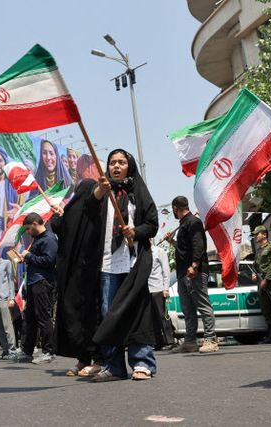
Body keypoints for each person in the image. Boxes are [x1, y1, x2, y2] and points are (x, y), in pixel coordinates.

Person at [91, 149, 159, 382]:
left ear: (129, 166)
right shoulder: (102, 192)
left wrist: (135, 231)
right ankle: (114, 366)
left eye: (121, 162)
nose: (116, 166)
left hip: (132, 263)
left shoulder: (138, 191)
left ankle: (142, 363)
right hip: (107, 266)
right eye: (112, 162)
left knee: (137, 312)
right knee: (109, 315)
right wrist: (98, 193)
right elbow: (86, 218)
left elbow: (152, 224)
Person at [50, 179, 103, 377]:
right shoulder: (80, 210)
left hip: (85, 272)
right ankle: (84, 358)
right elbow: (62, 228)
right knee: (81, 315)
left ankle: (96, 358)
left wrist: (59, 215)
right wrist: (62, 215)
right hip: (78, 272)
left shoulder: (88, 209)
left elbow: (58, 226)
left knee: (87, 315)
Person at [166, 196, 218, 354]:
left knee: (203, 305)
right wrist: (172, 242)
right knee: (188, 309)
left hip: (194, 271)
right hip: (183, 273)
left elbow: (198, 245)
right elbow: (184, 248)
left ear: (175, 208)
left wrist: (194, 265)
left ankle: (211, 339)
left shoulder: (193, 222)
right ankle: (190, 341)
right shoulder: (183, 224)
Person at [11, 212, 57, 364]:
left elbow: (49, 261)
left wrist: (29, 256)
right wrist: (25, 258)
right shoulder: (38, 239)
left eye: (28, 229)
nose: (28, 232)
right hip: (33, 281)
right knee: (29, 318)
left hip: (42, 282)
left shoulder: (49, 239)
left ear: (35, 224)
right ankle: (27, 351)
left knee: (43, 317)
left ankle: (48, 352)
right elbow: (38, 260)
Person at [251, 225, 271, 344]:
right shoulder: (259, 250)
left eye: (257, 234)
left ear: (264, 234)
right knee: (266, 308)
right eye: (255, 234)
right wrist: (254, 274)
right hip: (261, 281)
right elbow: (256, 265)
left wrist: (267, 279)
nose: (255, 236)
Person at [148, 240, 175, 351]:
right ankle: (158, 342)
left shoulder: (159, 251)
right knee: (151, 318)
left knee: (163, 316)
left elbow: (166, 270)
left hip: (158, 288)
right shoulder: (141, 253)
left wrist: (166, 288)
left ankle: (170, 341)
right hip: (147, 290)